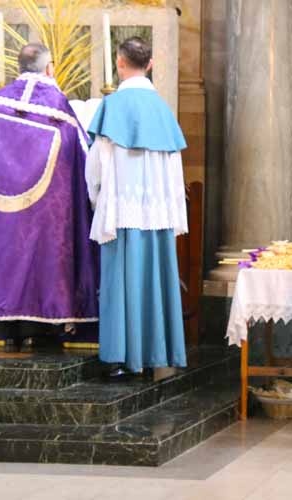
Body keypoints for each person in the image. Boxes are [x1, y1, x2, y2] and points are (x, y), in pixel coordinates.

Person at [0, 43, 98, 353]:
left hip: (1, 210)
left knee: (6, 258)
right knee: (42, 264)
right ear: (50, 68)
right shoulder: (58, 109)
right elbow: (82, 156)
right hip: (46, 213)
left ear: (18, 66)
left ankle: (10, 334)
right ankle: (45, 333)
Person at [85, 37, 188, 375]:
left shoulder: (112, 106)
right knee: (155, 282)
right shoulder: (163, 110)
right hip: (157, 212)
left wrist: (96, 198)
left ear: (119, 62)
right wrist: (171, 210)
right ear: (151, 64)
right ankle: (156, 355)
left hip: (121, 211)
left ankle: (118, 359)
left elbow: (96, 165)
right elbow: (174, 170)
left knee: (119, 282)